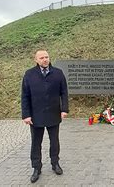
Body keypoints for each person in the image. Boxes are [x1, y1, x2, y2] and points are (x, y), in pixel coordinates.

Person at [21, 49, 69, 183]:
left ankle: (55, 163)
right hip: (36, 116)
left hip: (54, 113)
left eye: (46, 57)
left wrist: (64, 109)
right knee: (36, 143)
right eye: (41, 58)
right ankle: (36, 168)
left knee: (55, 141)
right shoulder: (29, 74)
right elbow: (25, 96)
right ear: (36, 60)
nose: (45, 59)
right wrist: (26, 115)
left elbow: (64, 92)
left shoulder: (58, 73)